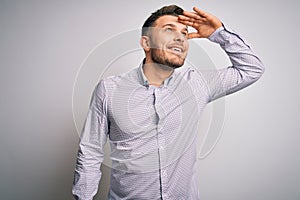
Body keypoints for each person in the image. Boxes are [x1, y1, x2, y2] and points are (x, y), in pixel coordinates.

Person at [72, 4, 264, 200]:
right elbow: (90, 151)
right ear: (146, 43)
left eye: (184, 32)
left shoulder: (197, 84)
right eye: (169, 30)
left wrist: (218, 33)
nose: (180, 37)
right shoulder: (109, 90)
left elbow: (252, 69)